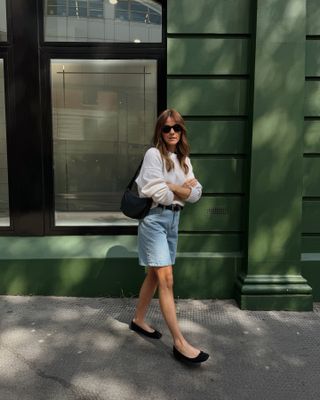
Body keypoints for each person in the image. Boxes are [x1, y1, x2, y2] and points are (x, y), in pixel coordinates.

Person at [130, 108, 209, 364]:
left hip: (173, 221)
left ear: (182, 130)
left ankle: (139, 320)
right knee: (166, 279)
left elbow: (196, 194)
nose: (172, 132)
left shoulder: (184, 159)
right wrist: (179, 189)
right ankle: (179, 342)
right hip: (154, 221)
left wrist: (171, 188)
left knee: (154, 275)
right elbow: (158, 194)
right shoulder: (153, 154)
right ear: (160, 131)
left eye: (176, 128)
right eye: (167, 128)